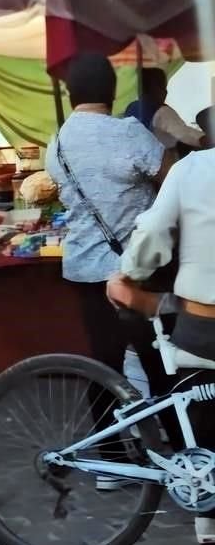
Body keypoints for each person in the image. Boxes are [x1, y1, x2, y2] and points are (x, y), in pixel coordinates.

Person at [45, 53, 182, 485]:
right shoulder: (128, 133)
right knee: (162, 364)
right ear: (112, 91)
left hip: (85, 269)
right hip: (137, 269)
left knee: (103, 364)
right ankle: (184, 455)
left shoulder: (58, 143)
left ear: (70, 95)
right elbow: (174, 180)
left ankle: (109, 458)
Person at [107, 145, 215, 545]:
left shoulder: (193, 168)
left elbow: (152, 232)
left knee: (200, 409)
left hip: (204, 326)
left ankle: (207, 514)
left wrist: (129, 275)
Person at [125, 67, 210, 152]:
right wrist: (205, 139)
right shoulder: (162, 111)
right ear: (154, 89)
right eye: (163, 87)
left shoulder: (130, 109)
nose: (166, 92)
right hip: (164, 160)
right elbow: (185, 133)